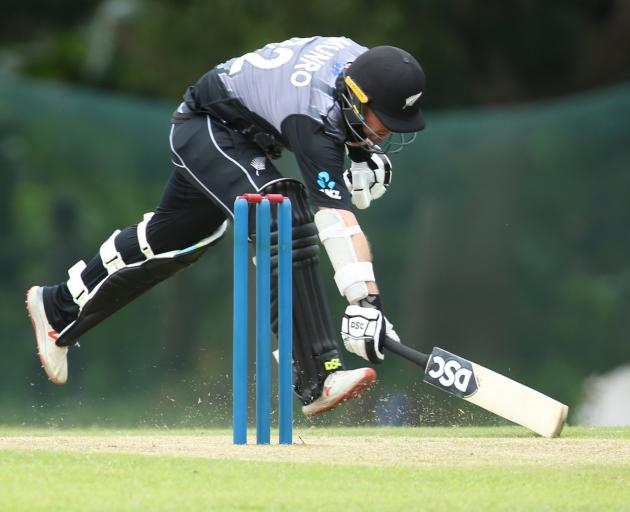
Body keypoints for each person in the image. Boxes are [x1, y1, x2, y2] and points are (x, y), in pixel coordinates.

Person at [26, 36, 426, 417]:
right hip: (208, 127)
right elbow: (336, 220)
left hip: (239, 131)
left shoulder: (362, 63)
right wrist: (365, 303)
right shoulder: (311, 117)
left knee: (171, 239)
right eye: (384, 120)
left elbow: (344, 116)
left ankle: (57, 308)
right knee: (281, 213)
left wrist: (359, 151)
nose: (388, 130)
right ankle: (316, 375)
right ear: (358, 98)